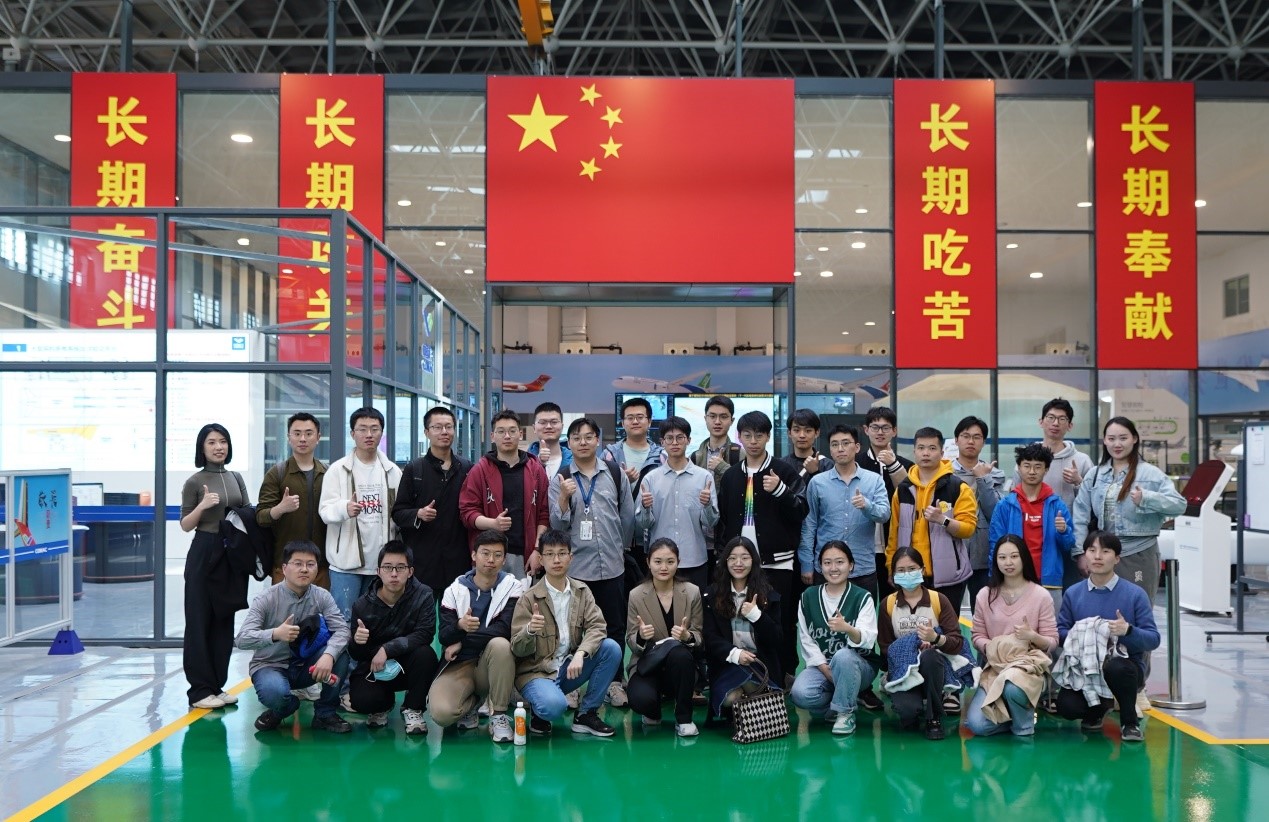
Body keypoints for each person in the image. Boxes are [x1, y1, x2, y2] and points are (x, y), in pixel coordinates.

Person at [550, 416, 636, 708]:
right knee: (573, 629)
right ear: (570, 443)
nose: (583, 442)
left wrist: (620, 548)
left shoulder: (614, 472)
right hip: (576, 569)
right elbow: (557, 527)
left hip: (611, 565)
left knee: (614, 627)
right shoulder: (561, 478)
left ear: (597, 440)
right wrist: (564, 498)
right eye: (576, 438)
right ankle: (571, 685)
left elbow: (627, 516)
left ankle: (614, 683)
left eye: (588, 437)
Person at [717, 410, 808, 682]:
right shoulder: (731, 475)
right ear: (739, 437)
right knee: (740, 618)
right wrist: (724, 557)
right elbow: (723, 520)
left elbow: (801, 510)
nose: (753, 441)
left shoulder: (784, 471)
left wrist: (780, 490)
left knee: (782, 619)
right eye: (747, 435)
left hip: (778, 561)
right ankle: (747, 673)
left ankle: (785, 672)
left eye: (759, 435)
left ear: (768, 436)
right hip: (739, 564)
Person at [510, 529, 621, 737]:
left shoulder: (582, 591)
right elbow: (517, 648)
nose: (556, 560)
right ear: (541, 559)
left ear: (571, 557)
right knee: (555, 707)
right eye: (550, 554)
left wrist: (581, 653)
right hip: (536, 672)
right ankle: (539, 709)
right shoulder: (528, 598)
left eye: (562, 553)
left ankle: (586, 714)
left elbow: (598, 626)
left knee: (611, 648)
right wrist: (529, 631)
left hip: (568, 667)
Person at [234, 540, 352, 734]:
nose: (304, 569)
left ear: (316, 569)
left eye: (310, 564)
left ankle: (325, 713)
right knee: (275, 693)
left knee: (341, 655)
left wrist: (328, 655)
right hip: (270, 665)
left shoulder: (322, 596)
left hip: (307, 667)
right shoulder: (266, 599)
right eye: (298, 563)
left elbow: (342, 630)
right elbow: (242, 639)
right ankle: (284, 708)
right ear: (284, 568)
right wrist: (275, 634)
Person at [1053, 532, 1161, 743]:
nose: (1097, 556)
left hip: (1125, 667)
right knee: (1067, 706)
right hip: (1085, 669)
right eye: (1092, 550)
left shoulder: (1135, 594)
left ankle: (1129, 723)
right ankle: (1097, 710)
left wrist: (1128, 631)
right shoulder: (1073, 593)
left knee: (1117, 668)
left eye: (1105, 551)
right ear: (1085, 555)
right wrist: (1084, 632)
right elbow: (1061, 632)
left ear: (1117, 558)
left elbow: (1153, 639)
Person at [1072, 416, 1186, 603]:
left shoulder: (1150, 473)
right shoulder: (1095, 475)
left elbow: (1179, 505)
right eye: (1111, 438)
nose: (1117, 444)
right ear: (1104, 441)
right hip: (1103, 554)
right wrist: (1080, 553)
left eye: (1123, 438)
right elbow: (1080, 515)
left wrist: (1147, 499)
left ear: (1134, 439)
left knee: (1137, 608)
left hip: (1139, 553)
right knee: (1103, 609)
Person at [180, 422, 251, 710]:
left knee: (223, 620)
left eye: (223, 441)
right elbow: (185, 524)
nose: (218, 447)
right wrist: (203, 506)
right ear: (202, 447)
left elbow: (247, 512)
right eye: (212, 442)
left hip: (229, 551)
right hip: (204, 549)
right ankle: (199, 691)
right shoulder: (194, 482)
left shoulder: (236, 477)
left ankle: (216, 686)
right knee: (199, 621)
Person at [428, 530, 521, 742]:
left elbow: (504, 630)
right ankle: (472, 705)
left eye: (497, 555)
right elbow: (444, 636)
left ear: (504, 559)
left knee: (501, 645)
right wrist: (459, 625)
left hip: (493, 664)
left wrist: (462, 640)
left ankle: (498, 715)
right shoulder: (454, 590)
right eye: (485, 553)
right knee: (442, 714)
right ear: (473, 555)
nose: (491, 560)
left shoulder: (513, 588)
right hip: (460, 664)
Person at [965, 535, 1059, 737]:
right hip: (995, 668)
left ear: (1024, 558)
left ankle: (1023, 726)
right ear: (996, 561)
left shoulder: (1041, 595)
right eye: (1002, 557)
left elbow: (1052, 641)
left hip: (1029, 667)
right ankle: (1012, 717)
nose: (1008, 562)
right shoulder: (985, 595)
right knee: (977, 725)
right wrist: (997, 647)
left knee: (1012, 686)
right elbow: (977, 635)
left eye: (1014, 556)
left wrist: (1032, 636)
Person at [318, 407, 402, 622]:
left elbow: (399, 513)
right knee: (343, 622)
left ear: (382, 433)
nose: (369, 434)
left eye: (375, 429)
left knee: (378, 622)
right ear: (352, 433)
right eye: (362, 429)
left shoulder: (392, 471)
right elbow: (325, 511)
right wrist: (344, 509)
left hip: (381, 564)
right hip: (346, 565)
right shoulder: (337, 470)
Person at [347, 541, 439, 736]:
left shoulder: (423, 595)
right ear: (378, 572)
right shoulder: (362, 605)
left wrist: (387, 649)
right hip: (375, 666)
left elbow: (425, 633)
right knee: (362, 701)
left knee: (427, 655)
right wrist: (357, 641)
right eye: (388, 568)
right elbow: (356, 654)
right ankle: (382, 705)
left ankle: (413, 708)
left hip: (409, 664)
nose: (394, 574)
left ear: (410, 571)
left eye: (400, 568)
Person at [789, 541, 879, 735]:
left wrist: (848, 629)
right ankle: (838, 703)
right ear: (820, 566)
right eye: (827, 563)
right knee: (800, 694)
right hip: (823, 666)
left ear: (851, 565)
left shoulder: (862, 597)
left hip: (859, 665)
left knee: (843, 656)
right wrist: (823, 667)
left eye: (840, 562)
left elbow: (868, 639)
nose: (833, 568)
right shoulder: (808, 596)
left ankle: (845, 713)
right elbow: (806, 638)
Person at [877, 547, 966, 740]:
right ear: (893, 575)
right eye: (901, 570)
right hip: (903, 671)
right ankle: (912, 701)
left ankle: (934, 717)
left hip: (934, 668)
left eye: (912, 569)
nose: (907, 574)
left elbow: (957, 642)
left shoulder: (938, 600)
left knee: (930, 656)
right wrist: (909, 649)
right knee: (907, 713)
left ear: (923, 570)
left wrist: (935, 639)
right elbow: (885, 647)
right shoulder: (888, 604)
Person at [886, 426, 977, 613]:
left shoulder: (957, 487)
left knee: (947, 629)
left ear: (942, 453)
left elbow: (968, 529)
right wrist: (890, 567)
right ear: (914, 452)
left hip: (948, 577)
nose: (926, 453)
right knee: (911, 627)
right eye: (921, 448)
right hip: (910, 575)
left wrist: (943, 520)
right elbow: (893, 534)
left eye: (932, 448)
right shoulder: (903, 490)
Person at [798, 424, 891, 597]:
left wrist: (867, 505)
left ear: (857, 447)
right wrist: (806, 563)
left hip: (862, 567)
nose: (840, 449)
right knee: (824, 614)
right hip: (826, 567)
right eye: (834, 444)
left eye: (846, 443)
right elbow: (809, 526)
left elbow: (885, 515)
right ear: (830, 450)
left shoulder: (874, 480)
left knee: (864, 614)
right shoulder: (817, 482)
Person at [625, 538, 705, 737]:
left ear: (678, 562)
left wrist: (687, 636)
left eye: (670, 561)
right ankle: (653, 711)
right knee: (641, 700)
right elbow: (631, 639)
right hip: (648, 664)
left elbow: (699, 636)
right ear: (648, 562)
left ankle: (684, 719)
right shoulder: (636, 595)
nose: (664, 567)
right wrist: (641, 637)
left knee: (680, 654)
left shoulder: (692, 592)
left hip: (682, 667)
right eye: (658, 561)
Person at [459, 409, 550, 580]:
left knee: (525, 598)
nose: (507, 436)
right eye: (501, 431)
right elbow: (467, 513)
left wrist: (537, 549)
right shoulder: (479, 470)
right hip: (489, 556)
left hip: (526, 556)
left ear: (520, 434)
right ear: (492, 436)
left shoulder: (536, 470)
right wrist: (493, 523)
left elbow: (544, 514)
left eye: (512, 431)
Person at [392, 407, 472, 597]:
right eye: (437, 427)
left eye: (449, 427)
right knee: (422, 611)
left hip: (458, 559)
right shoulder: (415, 469)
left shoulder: (467, 468)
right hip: (423, 561)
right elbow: (398, 513)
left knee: (456, 612)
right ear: (427, 432)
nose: (444, 432)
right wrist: (418, 513)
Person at [702, 536, 783, 721]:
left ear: (753, 561)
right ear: (725, 561)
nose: (738, 563)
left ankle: (749, 716)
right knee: (731, 697)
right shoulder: (712, 594)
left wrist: (757, 616)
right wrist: (735, 653)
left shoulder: (768, 594)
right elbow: (709, 637)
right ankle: (753, 714)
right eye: (732, 558)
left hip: (760, 665)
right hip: (727, 664)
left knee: (752, 686)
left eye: (745, 557)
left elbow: (777, 640)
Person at [1018, 398, 1095, 588]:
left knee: (1070, 594)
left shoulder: (1082, 460)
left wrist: (1079, 482)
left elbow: (1095, 504)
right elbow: (1016, 497)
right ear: (1041, 421)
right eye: (1051, 417)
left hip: (1070, 540)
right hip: (1033, 541)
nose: (1055, 423)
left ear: (1070, 425)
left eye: (1062, 419)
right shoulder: (1028, 458)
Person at [637, 415, 719, 590]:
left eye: (680, 437)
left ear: (688, 440)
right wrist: (645, 507)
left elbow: (711, 523)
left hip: (694, 559)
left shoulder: (704, 477)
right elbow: (643, 524)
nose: (675, 442)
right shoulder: (650, 479)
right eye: (669, 438)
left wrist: (707, 505)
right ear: (662, 442)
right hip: (660, 563)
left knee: (695, 606)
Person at [990, 443, 1077, 607]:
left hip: (1049, 581)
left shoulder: (1057, 505)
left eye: (1038, 467)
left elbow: (1068, 546)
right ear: (1019, 468)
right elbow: (995, 545)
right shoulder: (1005, 505)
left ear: (1046, 469)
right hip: (1013, 580)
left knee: (1049, 624)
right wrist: (995, 579)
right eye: (1027, 466)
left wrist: (1063, 531)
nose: (1032, 471)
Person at [257, 411, 329, 588]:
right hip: (286, 564)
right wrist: (280, 508)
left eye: (308, 433)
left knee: (320, 606)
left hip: (320, 565)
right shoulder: (277, 473)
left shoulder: (328, 473)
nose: (302, 439)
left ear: (318, 437)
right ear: (289, 438)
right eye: (297, 433)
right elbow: (261, 516)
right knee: (284, 606)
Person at [949, 415, 1006, 614]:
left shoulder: (994, 474)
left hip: (983, 554)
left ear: (983, 442)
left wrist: (983, 479)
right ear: (956, 440)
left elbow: (995, 513)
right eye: (965, 436)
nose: (971, 441)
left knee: (984, 614)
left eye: (977, 437)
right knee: (949, 614)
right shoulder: (944, 473)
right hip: (950, 552)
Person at [856, 406, 914, 600]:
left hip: (895, 540)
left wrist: (893, 465)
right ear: (866, 430)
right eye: (875, 427)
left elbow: (910, 497)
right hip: (863, 542)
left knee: (894, 599)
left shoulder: (907, 465)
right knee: (863, 599)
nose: (880, 432)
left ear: (894, 431)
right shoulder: (855, 463)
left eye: (886, 427)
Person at [691, 394, 742, 484]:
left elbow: (746, 485)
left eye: (723, 417)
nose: (717, 422)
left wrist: (722, 467)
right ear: (705, 419)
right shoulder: (695, 457)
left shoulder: (740, 454)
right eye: (712, 416)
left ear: (732, 421)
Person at [780, 408, 832, 481]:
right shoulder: (781, 464)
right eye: (796, 430)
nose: (802, 435)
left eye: (808, 430)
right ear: (789, 433)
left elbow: (829, 488)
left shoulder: (826, 464)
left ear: (817, 433)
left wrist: (815, 472)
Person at [527, 401, 572, 476]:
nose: (548, 426)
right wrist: (538, 463)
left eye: (554, 422)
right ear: (534, 428)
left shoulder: (575, 461)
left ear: (562, 427)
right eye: (542, 422)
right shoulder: (523, 461)